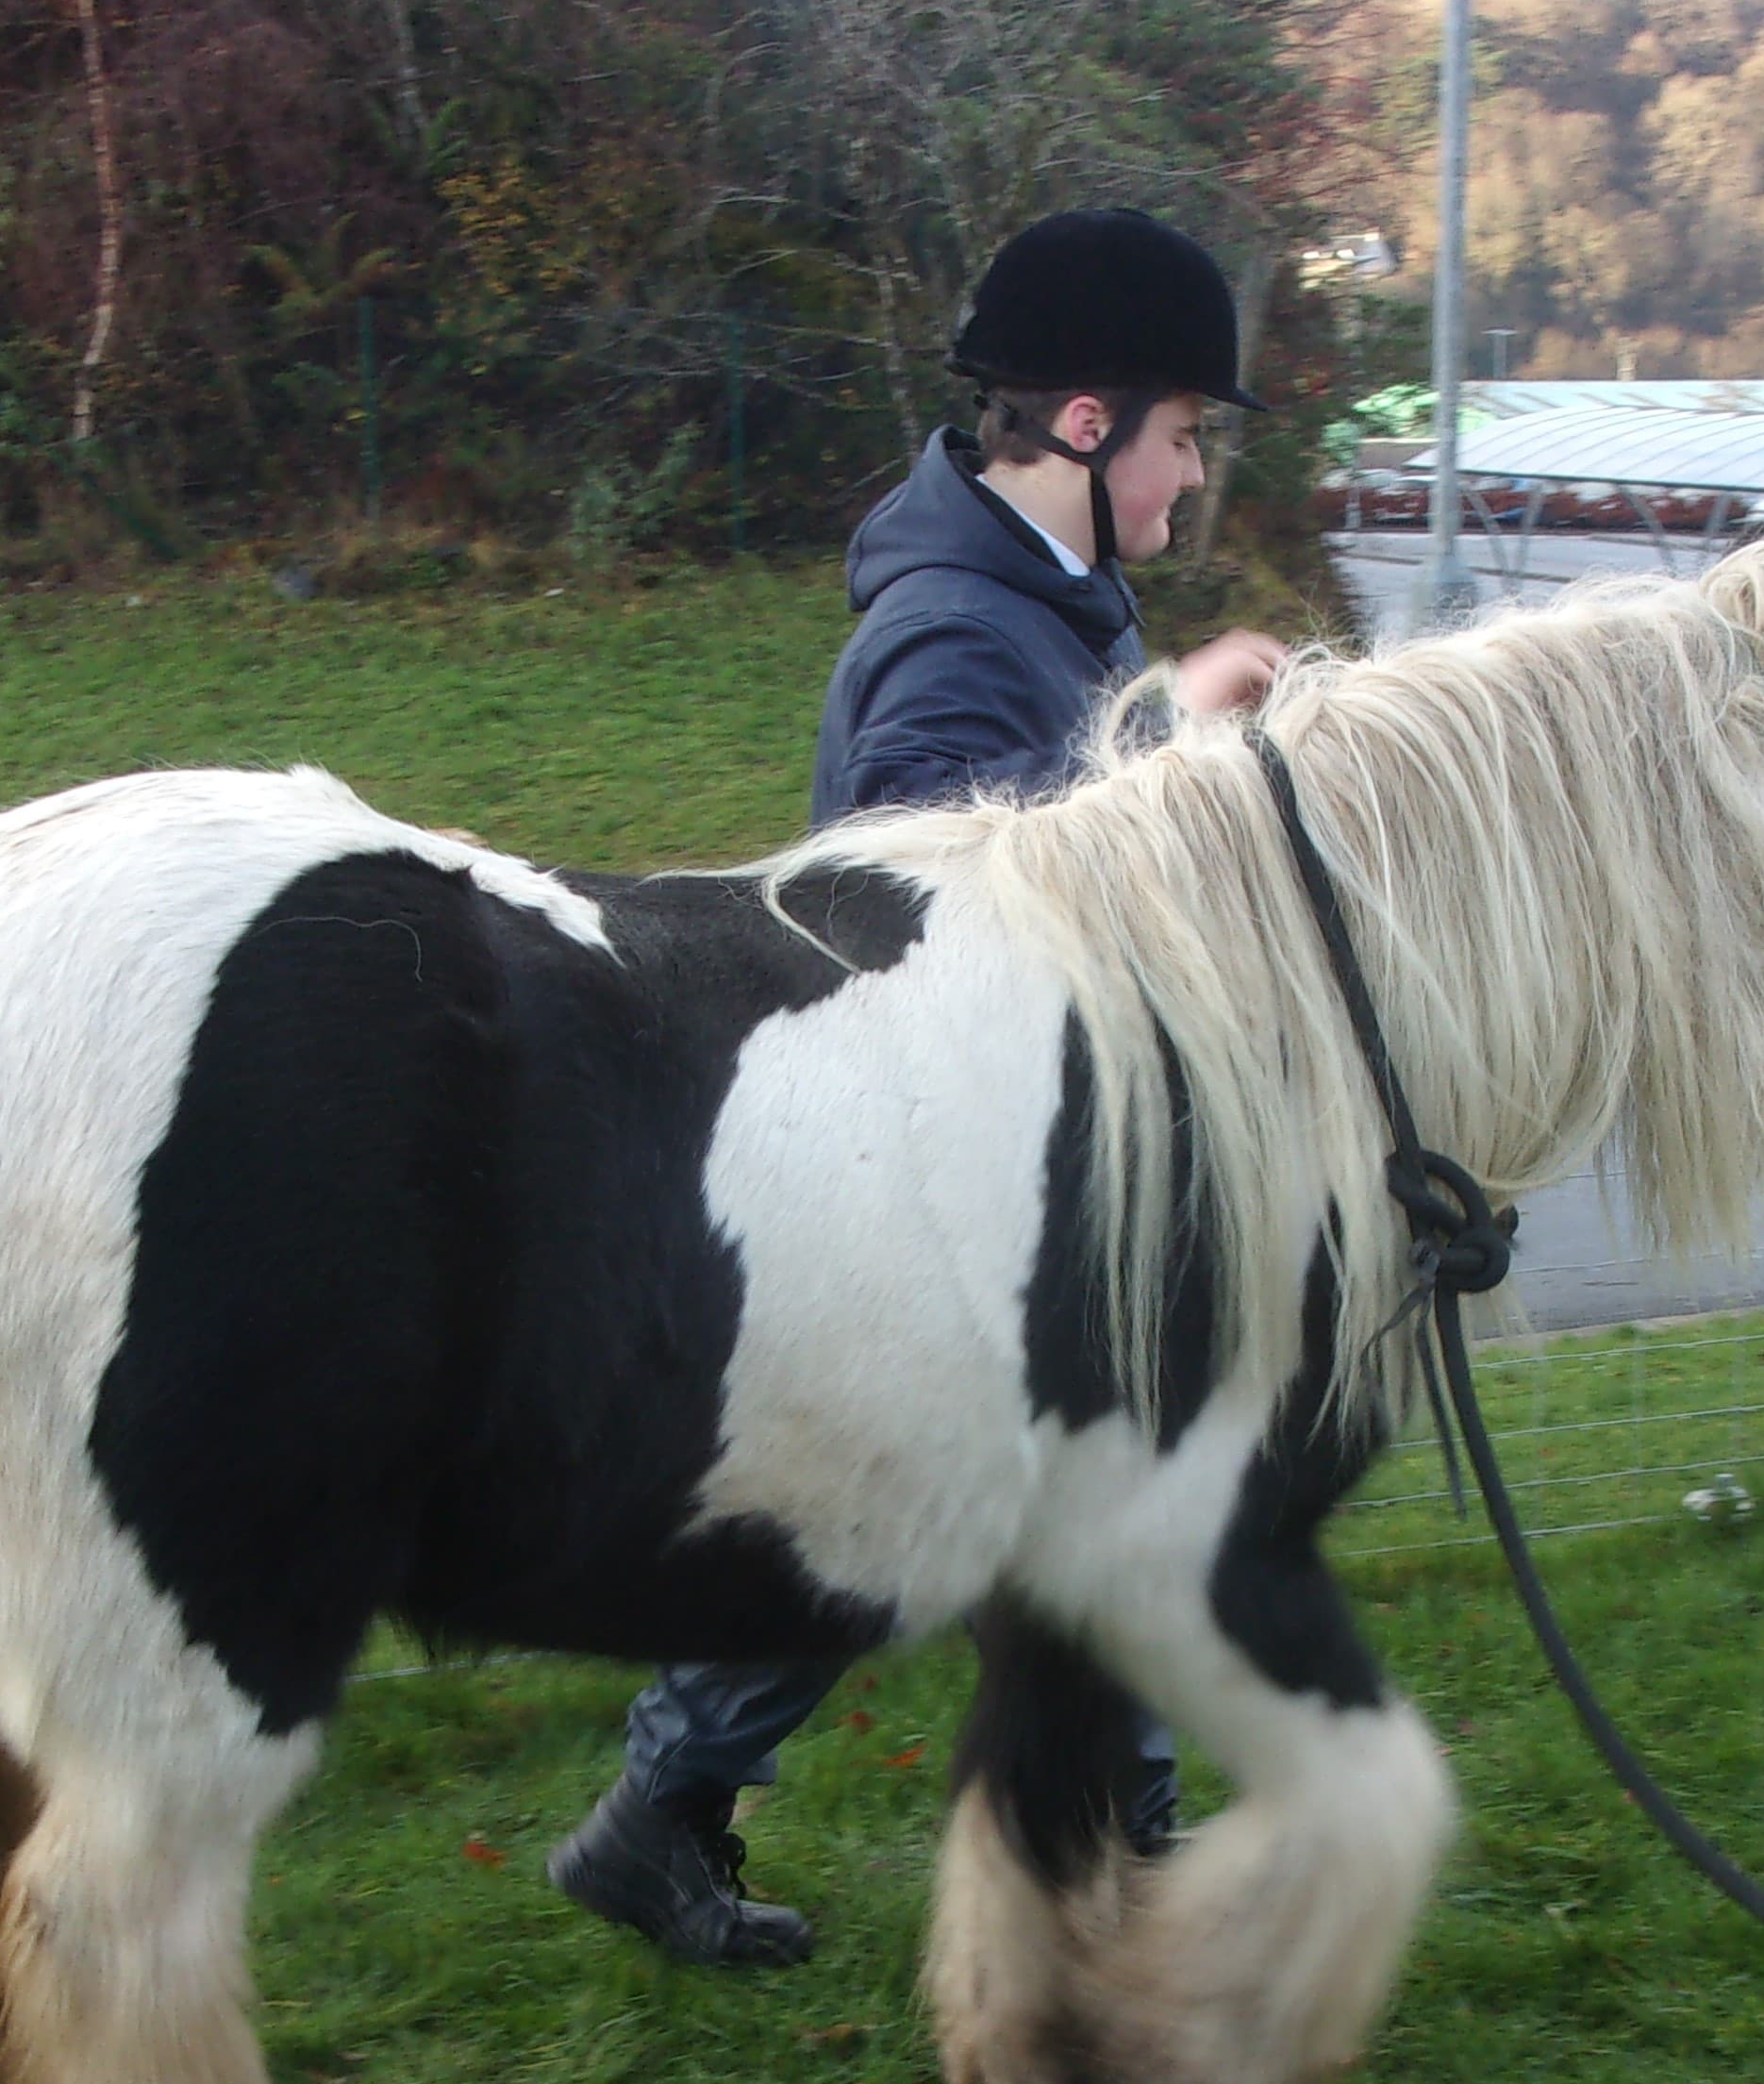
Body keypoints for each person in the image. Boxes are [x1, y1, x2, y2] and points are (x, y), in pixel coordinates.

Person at [549, 205, 1292, 1968]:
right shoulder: (962, 634)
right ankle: (1125, 1872)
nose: (1194, 484)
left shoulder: (1047, 602)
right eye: (1186, 437)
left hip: (977, 1162)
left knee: (878, 1510)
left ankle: (659, 1821)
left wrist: (1173, 719)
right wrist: (1183, 737)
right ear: (1093, 426)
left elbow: (1061, 824)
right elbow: (951, 902)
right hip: (942, 1166)